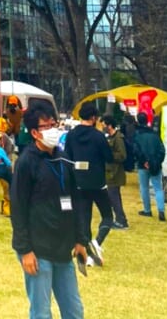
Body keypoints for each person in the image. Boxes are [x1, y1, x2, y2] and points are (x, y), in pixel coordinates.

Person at [10, 105, 88, 319]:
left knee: (74, 310)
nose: (52, 130)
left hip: (63, 248)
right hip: (38, 249)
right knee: (41, 312)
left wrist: (81, 239)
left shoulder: (63, 159)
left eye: (54, 124)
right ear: (34, 133)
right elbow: (18, 209)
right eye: (46, 126)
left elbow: (76, 200)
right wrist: (25, 250)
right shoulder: (26, 162)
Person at [63, 102, 114, 266]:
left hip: (78, 182)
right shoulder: (98, 136)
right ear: (94, 118)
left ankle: (87, 254)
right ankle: (97, 243)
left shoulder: (71, 135)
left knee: (84, 218)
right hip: (97, 182)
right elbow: (109, 157)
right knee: (107, 216)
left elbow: (67, 156)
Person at [133, 111, 166, 220]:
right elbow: (162, 150)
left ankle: (147, 210)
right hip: (155, 164)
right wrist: (156, 161)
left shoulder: (137, 136)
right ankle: (161, 210)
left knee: (144, 188)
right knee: (158, 188)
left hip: (143, 166)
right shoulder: (155, 135)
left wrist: (144, 162)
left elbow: (136, 151)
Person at [102, 115, 129, 229]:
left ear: (109, 125)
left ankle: (121, 220)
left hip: (115, 172)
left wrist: (109, 155)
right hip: (110, 171)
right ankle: (119, 219)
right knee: (113, 196)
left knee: (114, 197)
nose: (103, 127)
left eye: (104, 125)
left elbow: (122, 155)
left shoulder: (118, 138)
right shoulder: (111, 137)